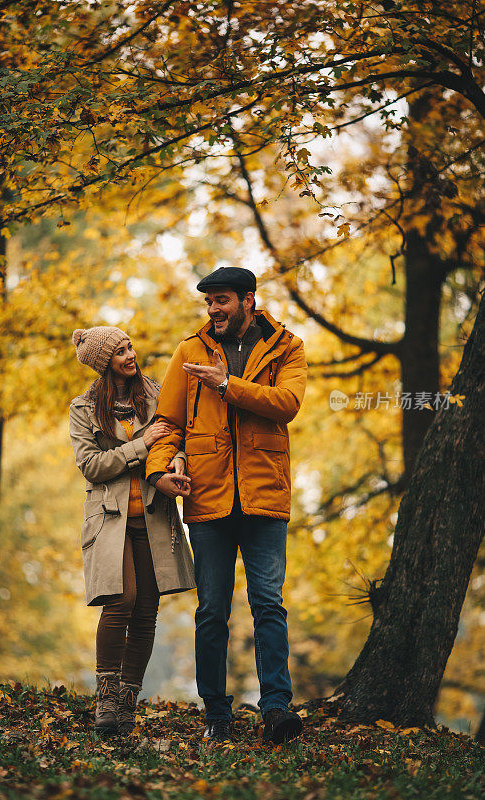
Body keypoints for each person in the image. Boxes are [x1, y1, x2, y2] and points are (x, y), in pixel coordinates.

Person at [146, 267, 307, 744]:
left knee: (268, 605)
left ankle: (276, 708)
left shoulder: (286, 347)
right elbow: (167, 421)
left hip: (265, 498)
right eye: (209, 302)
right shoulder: (188, 352)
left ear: (248, 300)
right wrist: (158, 472)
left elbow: (287, 402)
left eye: (222, 300)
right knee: (212, 610)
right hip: (208, 500)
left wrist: (225, 385)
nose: (214, 309)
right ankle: (216, 711)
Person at [69, 326, 195, 736]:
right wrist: (141, 447)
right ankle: (104, 698)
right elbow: (92, 465)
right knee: (121, 600)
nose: (130, 355)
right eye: (120, 352)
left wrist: (177, 460)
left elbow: (176, 437)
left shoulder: (155, 394)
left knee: (146, 612)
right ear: (104, 364)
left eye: (129, 347)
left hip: (155, 515)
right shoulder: (83, 408)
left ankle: (126, 705)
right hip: (110, 520)